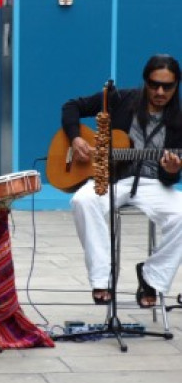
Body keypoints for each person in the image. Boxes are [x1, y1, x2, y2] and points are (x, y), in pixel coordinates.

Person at [62, 54, 182, 308]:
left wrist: (172, 170)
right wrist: (75, 138)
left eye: (167, 86)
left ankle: (152, 277)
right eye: (154, 84)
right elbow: (71, 107)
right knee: (83, 200)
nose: (160, 91)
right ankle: (101, 278)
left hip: (153, 184)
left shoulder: (178, 120)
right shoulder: (121, 99)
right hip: (113, 178)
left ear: (176, 85)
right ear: (145, 81)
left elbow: (170, 177)